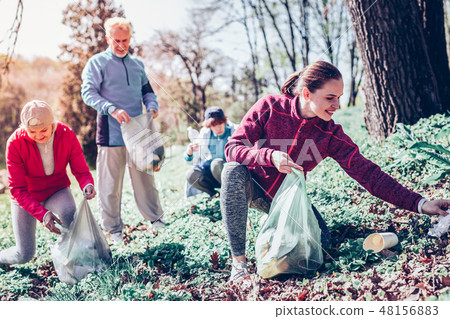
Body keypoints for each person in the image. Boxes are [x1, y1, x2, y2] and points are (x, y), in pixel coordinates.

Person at [220, 61, 450, 281]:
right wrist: (269, 156)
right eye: (330, 98)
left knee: (321, 244)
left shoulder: (330, 134)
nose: (336, 105)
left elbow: (369, 174)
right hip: (255, 187)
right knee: (232, 172)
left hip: (289, 200)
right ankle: (239, 265)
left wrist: (420, 204)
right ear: (307, 93)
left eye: (338, 98)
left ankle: (275, 228)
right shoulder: (269, 107)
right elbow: (232, 148)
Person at [81, 17, 164, 243]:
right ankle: (113, 230)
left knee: (146, 180)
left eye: (125, 40)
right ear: (108, 38)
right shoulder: (97, 63)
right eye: (116, 40)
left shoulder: (137, 65)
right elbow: (88, 93)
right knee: (109, 186)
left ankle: (156, 219)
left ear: (130, 38)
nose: (120, 44)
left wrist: (152, 104)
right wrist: (111, 108)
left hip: (138, 133)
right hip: (111, 134)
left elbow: (147, 91)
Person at [0, 100, 96, 265]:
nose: (38, 136)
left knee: (69, 215)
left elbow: (80, 168)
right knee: (25, 254)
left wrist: (87, 184)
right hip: (26, 197)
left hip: (56, 190)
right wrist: (42, 213)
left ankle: (72, 262)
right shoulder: (15, 143)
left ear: (53, 124)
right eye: (32, 131)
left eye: (43, 130)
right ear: (24, 128)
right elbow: (17, 189)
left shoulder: (66, 134)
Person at [184, 107, 238, 197]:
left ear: (225, 121)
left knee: (216, 163)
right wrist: (189, 153)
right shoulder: (204, 134)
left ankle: (230, 194)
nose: (218, 127)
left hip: (230, 174)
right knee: (191, 175)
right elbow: (191, 161)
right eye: (214, 125)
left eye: (220, 123)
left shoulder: (235, 131)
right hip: (211, 175)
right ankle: (214, 195)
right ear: (209, 126)